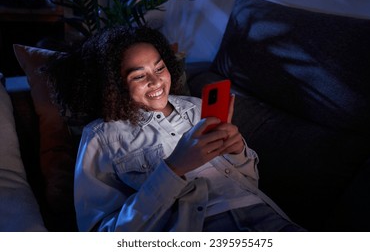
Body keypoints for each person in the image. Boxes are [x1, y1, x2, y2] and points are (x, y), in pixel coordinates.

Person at [49, 25, 305, 232]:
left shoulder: (197, 108)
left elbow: (248, 182)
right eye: (139, 76)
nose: (156, 80)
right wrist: (174, 169)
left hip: (267, 218)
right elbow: (102, 234)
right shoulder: (102, 137)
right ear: (114, 86)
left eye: (159, 67)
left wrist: (238, 152)